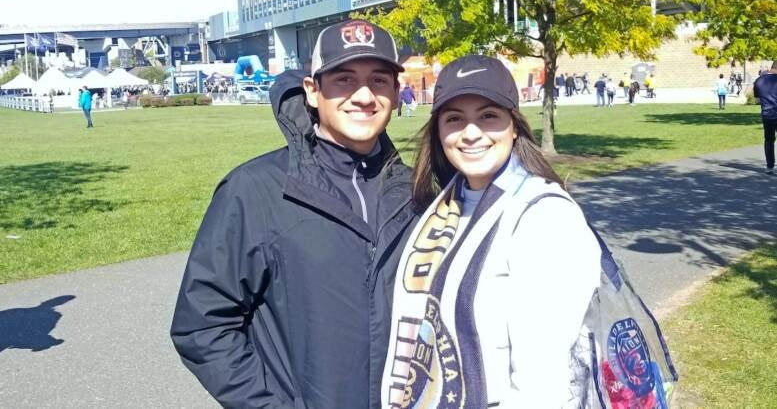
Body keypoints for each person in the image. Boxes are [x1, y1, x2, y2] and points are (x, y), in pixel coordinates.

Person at [381, 55, 676, 408]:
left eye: (488, 116)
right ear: (439, 130)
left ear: (515, 125)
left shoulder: (546, 218)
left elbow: (540, 387)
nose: (471, 133)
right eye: (454, 119)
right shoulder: (447, 206)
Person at [170, 20, 418, 408]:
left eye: (379, 80)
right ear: (313, 92)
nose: (364, 95)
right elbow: (203, 324)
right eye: (344, 79)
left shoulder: (415, 191)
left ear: (396, 93)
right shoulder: (255, 190)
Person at [753, 60, 777, 175]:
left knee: (769, 140)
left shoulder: (759, 81)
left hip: (767, 114)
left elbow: (757, 100)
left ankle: (770, 166)